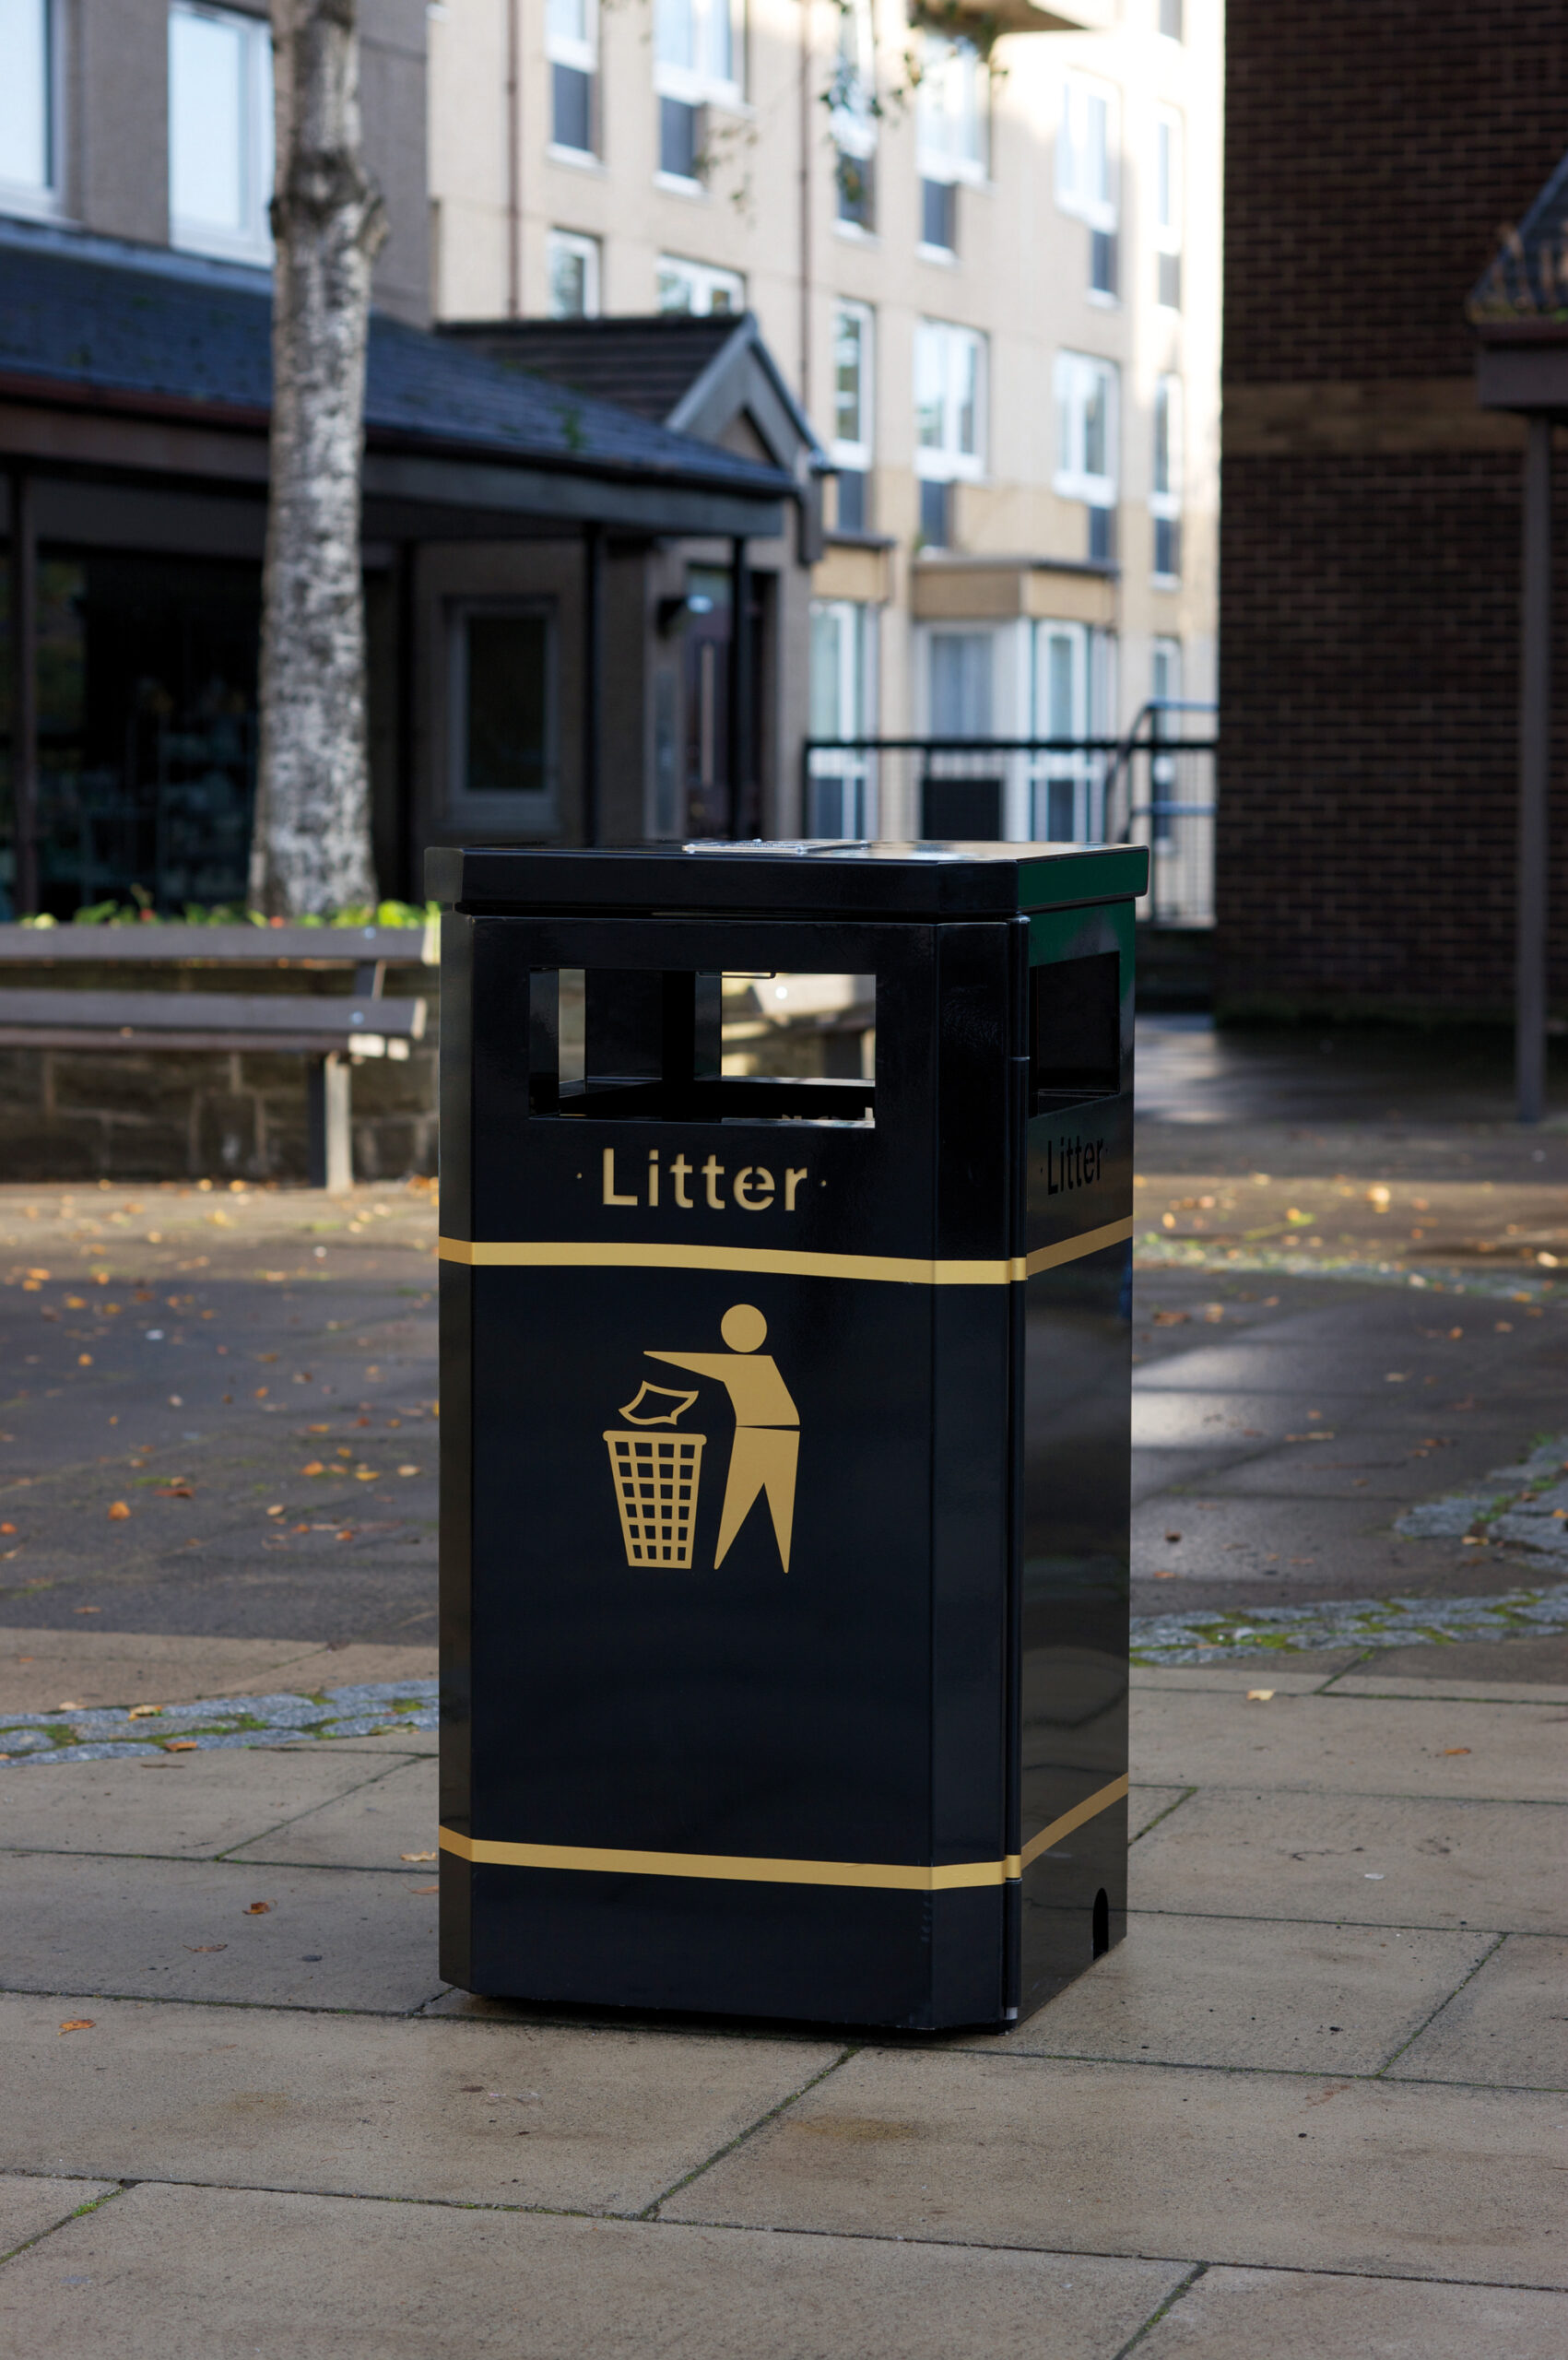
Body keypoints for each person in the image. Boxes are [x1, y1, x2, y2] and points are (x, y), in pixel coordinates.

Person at [647, 1304, 799, 1571]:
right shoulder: (763, 1363)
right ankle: (761, 1563)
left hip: (763, 1434)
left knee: (748, 1507)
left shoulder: (748, 1364)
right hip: (781, 1432)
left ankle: (732, 1562)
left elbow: (704, 1363)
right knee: (764, 1508)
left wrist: (657, 1354)